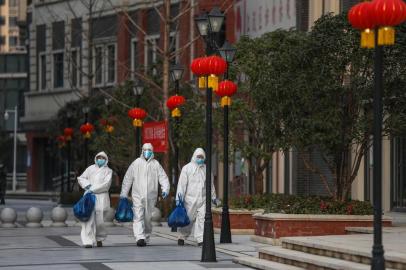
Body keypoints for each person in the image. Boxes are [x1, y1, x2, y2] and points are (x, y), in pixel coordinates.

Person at [120, 143, 170, 247]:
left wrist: (165, 189)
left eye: (149, 150)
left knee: (147, 218)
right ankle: (139, 237)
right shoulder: (136, 163)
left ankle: (146, 236)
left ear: (152, 151)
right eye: (145, 149)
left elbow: (163, 178)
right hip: (137, 195)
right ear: (142, 150)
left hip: (151, 196)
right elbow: (128, 178)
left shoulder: (156, 164)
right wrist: (124, 193)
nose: (147, 152)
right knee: (138, 216)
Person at [175, 148, 219, 246]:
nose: (200, 159)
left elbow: (210, 185)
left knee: (202, 219)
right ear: (194, 156)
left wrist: (213, 197)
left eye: (202, 157)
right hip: (189, 200)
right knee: (188, 220)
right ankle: (182, 236)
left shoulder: (207, 169)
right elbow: (182, 185)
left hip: (203, 200)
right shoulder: (187, 168)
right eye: (198, 157)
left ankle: (200, 239)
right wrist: (179, 198)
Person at [77, 151, 112, 248]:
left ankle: (99, 238)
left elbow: (106, 185)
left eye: (102, 158)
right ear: (96, 158)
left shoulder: (108, 171)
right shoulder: (90, 168)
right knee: (88, 220)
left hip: (102, 197)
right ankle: (87, 240)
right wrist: (87, 185)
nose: (100, 160)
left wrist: (92, 188)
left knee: (100, 221)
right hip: (89, 196)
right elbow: (81, 178)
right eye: (99, 158)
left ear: (105, 160)